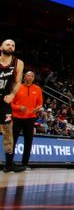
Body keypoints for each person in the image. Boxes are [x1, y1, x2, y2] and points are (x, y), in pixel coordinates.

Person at [1, 39, 25, 173]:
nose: (10, 47)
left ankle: (9, 164)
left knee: (8, 132)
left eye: (13, 45)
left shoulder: (18, 63)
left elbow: (17, 82)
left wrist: (12, 95)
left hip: (4, 101)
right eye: (7, 44)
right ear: (1, 47)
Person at [11, 70, 42, 170]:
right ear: (24, 77)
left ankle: (25, 163)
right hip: (16, 117)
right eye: (27, 76)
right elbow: (11, 103)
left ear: (33, 78)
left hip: (30, 118)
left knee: (28, 141)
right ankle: (9, 163)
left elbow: (40, 104)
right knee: (13, 141)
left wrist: (37, 108)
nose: (29, 78)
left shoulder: (37, 89)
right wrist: (19, 108)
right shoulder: (17, 87)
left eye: (31, 76)